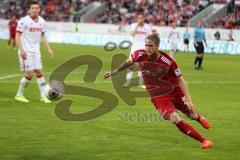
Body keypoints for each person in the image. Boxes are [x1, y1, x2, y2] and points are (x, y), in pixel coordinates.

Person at [104, 34, 213, 149]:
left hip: (174, 91)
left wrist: (189, 101)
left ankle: (199, 118)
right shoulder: (139, 55)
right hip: (159, 96)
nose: (147, 48)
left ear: (157, 46)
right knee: (175, 118)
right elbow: (128, 62)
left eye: (150, 46)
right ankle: (204, 141)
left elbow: (181, 80)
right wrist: (114, 72)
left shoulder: (169, 61)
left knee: (191, 115)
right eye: (146, 45)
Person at [14, 0, 54, 103]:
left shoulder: (41, 21)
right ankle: (19, 95)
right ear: (29, 10)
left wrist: (49, 49)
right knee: (29, 73)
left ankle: (43, 96)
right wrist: (21, 50)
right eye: (33, 8)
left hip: (36, 51)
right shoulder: (24, 21)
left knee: (39, 72)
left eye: (37, 8)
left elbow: (43, 36)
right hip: (26, 51)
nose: (35, 10)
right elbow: (17, 36)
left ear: (39, 9)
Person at [123, 11, 152, 88]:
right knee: (130, 65)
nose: (140, 19)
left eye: (141, 18)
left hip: (143, 49)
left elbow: (150, 38)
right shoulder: (133, 25)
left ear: (144, 18)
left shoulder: (148, 27)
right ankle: (128, 82)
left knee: (141, 66)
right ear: (137, 19)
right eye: (139, 18)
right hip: (134, 49)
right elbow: (132, 34)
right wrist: (137, 26)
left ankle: (141, 83)